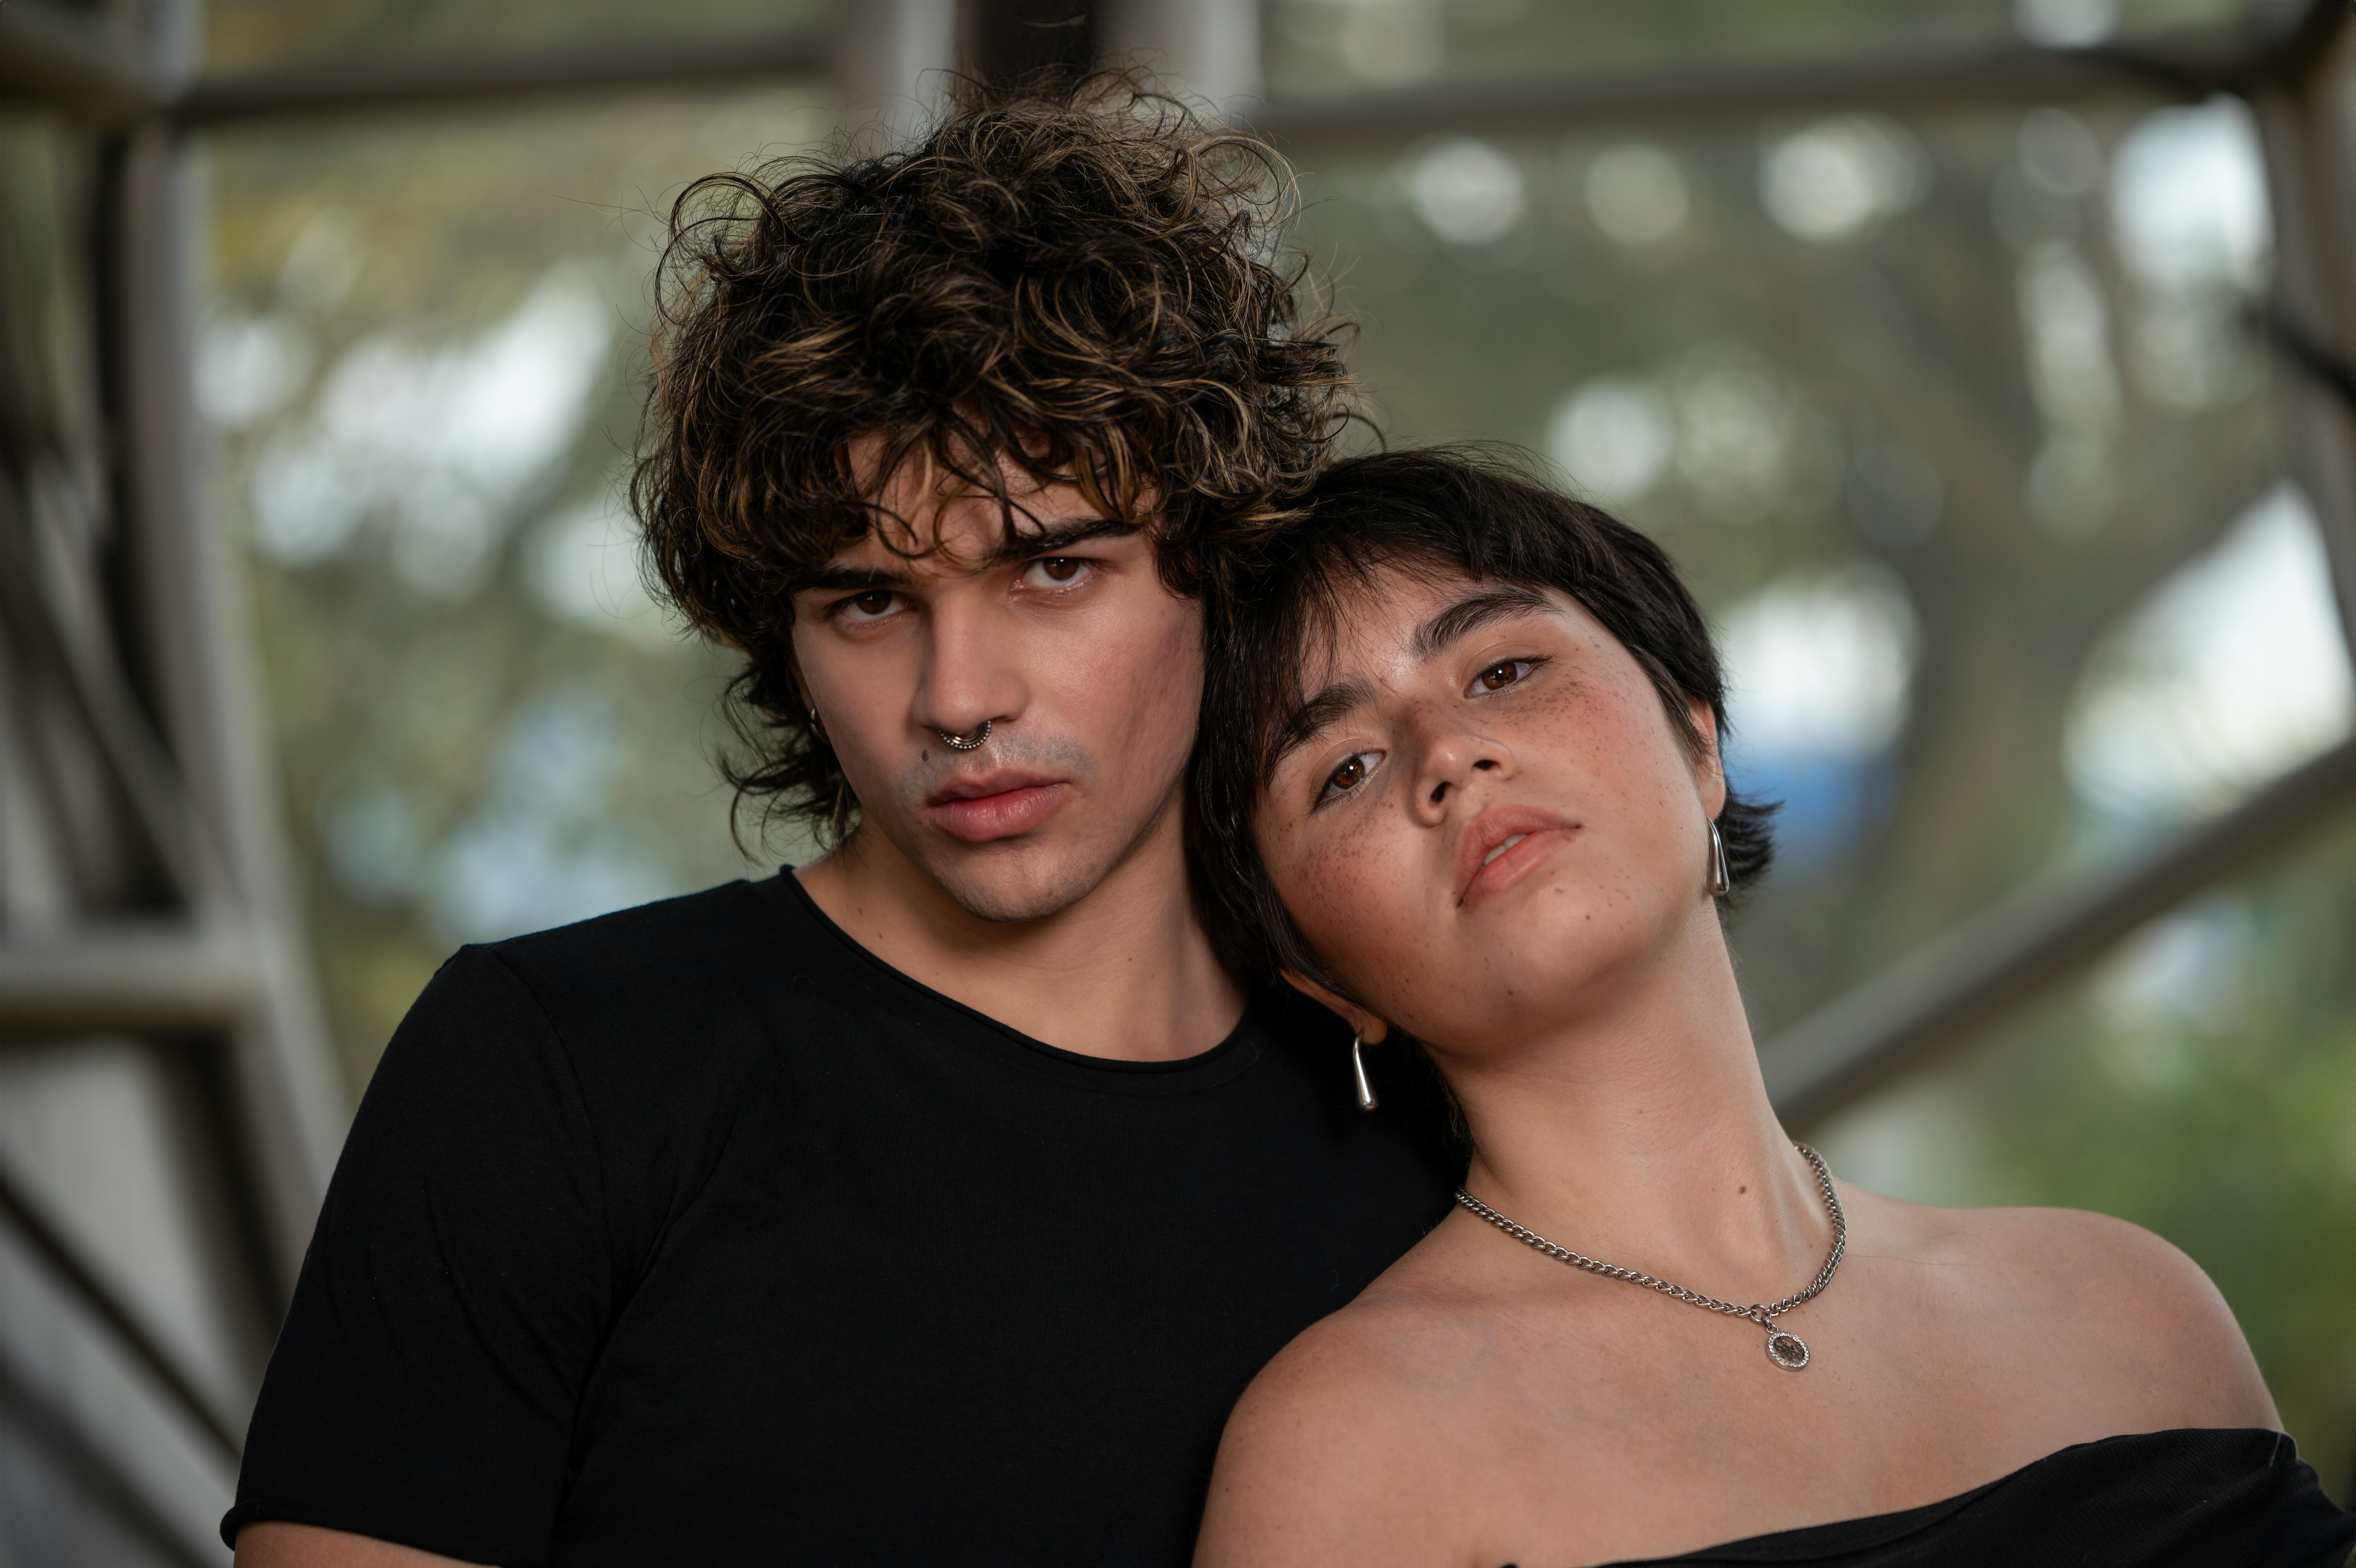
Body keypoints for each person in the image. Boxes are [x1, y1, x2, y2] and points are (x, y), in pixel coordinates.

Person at [224, 80, 1456, 1568]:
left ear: (1219, 564)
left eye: (1049, 570)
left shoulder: (1417, 1105)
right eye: (870, 600)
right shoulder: (558, 1067)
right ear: (787, 640)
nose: (957, 697)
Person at [1187, 448, 2356, 1566]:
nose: (1445, 751)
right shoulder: (1348, 1452)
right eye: (1341, 768)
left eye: (1503, 669)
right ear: (1319, 975)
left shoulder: (2138, 1312)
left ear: (1699, 740)